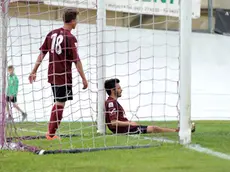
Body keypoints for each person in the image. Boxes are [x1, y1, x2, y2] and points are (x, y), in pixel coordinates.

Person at [28, 9, 88, 140]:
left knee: (58, 102)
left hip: (52, 74)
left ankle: (51, 132)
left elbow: (42, 53)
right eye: (76, 20)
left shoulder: (52, 34)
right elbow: (76, 60)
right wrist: (84, 78)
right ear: (72, 21)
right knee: (61, 103)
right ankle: (51, 134)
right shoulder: (71, 38)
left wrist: (34, 70)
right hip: (63, 75)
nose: (77, 22)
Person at [104, 78, 195, 134]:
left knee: (153, 128)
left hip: (126, 128)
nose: (121, 90)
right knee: (154, 128)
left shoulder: (112, 102)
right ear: (112, 90)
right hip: (124, 130)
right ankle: (179, 131)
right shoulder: (111, 103)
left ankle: (178, 131)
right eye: (119, 88)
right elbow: (113, 122)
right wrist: (130, 123)